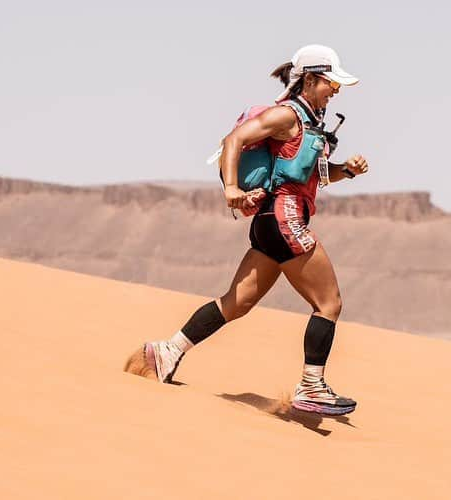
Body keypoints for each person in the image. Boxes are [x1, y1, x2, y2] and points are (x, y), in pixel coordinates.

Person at [125, 45, 369, 416]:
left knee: (235, 303)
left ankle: (165, 352)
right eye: (330, 82)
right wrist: (231, 189)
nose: (335, 89)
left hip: (272, 221)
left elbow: (314, 177)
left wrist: (345, 170)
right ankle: (312, 386)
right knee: (329, 303)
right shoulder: (286, 116)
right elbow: (233, 140)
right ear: (310, 79)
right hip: (285, 218)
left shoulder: (310, 124)